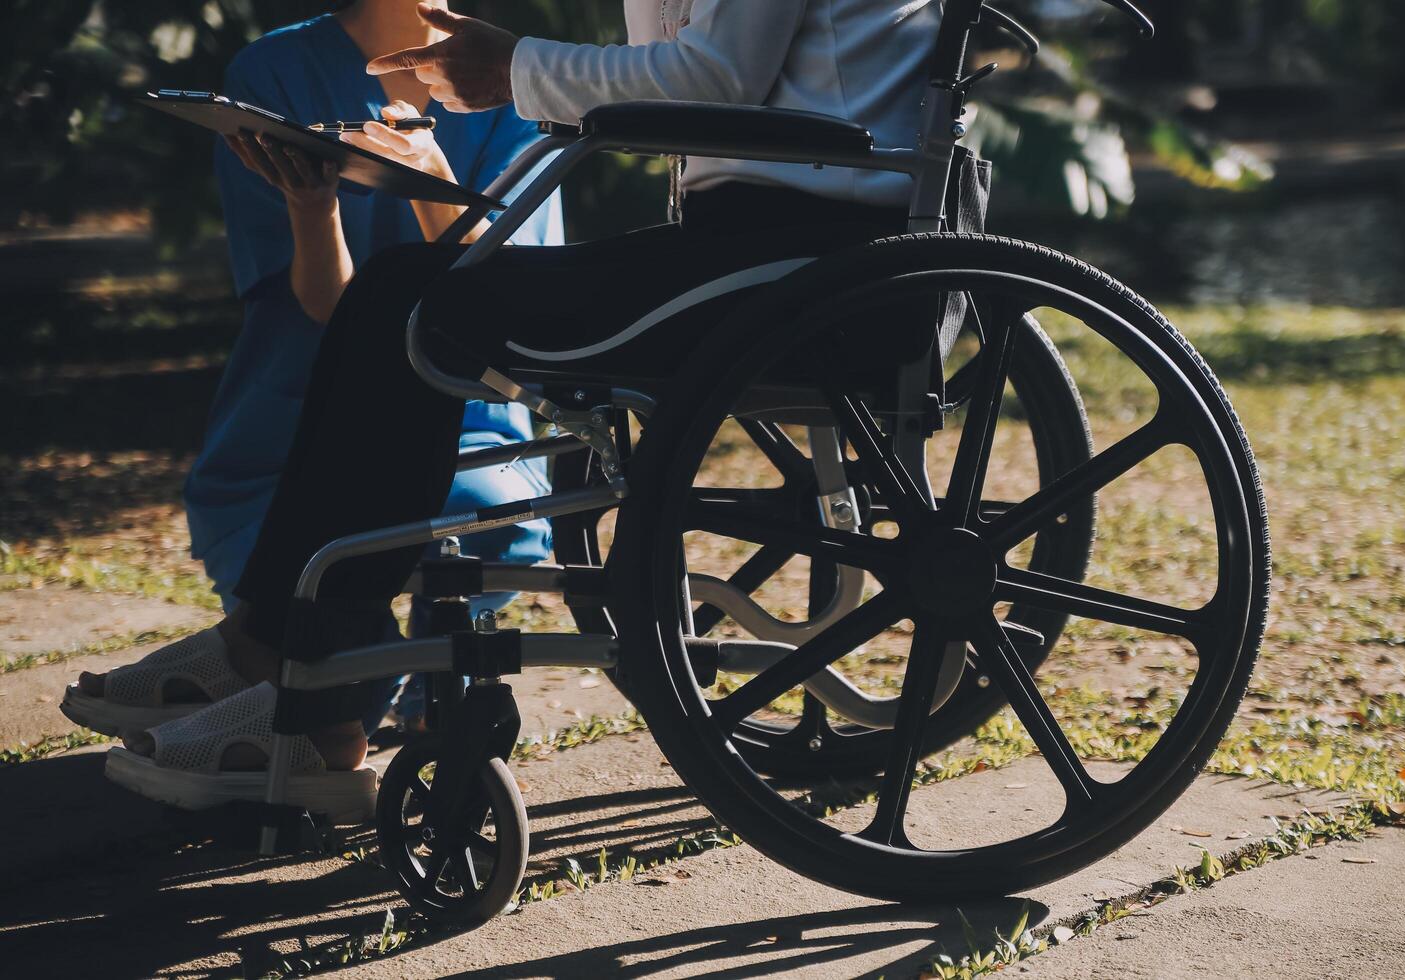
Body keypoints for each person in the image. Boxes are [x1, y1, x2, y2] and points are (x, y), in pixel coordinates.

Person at [70, 0, 944, 818]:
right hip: (748, 233)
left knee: (424, 301)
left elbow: (717, 80)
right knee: (405, 293)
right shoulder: (283, 62)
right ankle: (280, 649)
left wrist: (514, 68)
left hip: (813, 248)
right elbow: (695, 71)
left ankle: (293, 672)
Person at [60, 0, 560, 747]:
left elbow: (510, 302)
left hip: (466, 415)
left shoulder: (517, 77)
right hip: (294, 419)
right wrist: (311, 203)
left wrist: (435, 184)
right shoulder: (274, 74)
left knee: (334, 660)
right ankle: (330, 695)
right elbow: (333, 312)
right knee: (326, 679)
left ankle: (346, 677)